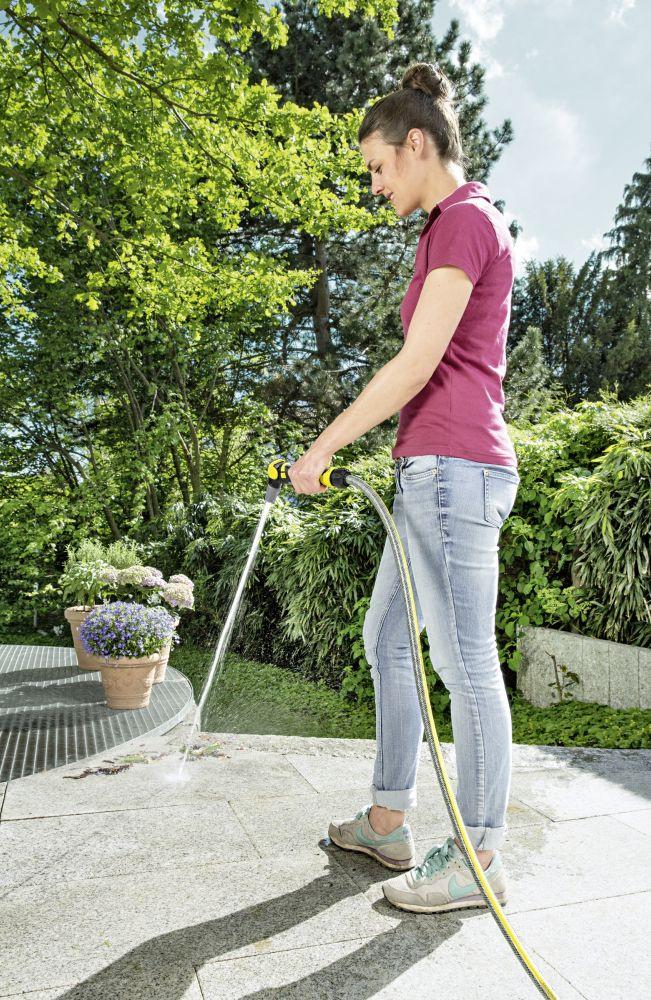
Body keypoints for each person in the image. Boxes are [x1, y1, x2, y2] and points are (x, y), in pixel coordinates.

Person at [288, 61, 519, 914]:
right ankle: (388, 821)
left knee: (463, 664)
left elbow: (417, 363)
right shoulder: (442, 229)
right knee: (387, 637)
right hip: (428, 471)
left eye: (378, 166)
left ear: (416, 143)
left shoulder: (465, 221)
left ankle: (479, 855)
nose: (374, 184)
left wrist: (322, 446)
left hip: (456, 470)